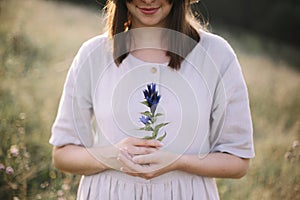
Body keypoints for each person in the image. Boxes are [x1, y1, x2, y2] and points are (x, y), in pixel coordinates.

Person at [50, 0, 255, 199]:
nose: (148, 0)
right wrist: (113, 155)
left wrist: (178, 161)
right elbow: (63, 155)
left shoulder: (217, 54)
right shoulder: (93, 54)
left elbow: (237, 161)